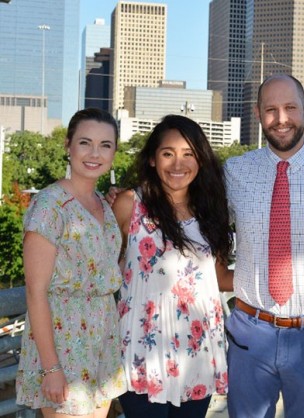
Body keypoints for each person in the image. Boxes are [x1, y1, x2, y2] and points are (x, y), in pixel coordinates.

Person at [223, 74, 304, 417]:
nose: (281, 119)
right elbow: (196, 222)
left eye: (290, 107)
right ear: (257, 113)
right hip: (249, 332)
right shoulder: (232, 172)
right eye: (271, 109)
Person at [111, 115, 232, 418]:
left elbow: (218, 278)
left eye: (189, 153)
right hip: (141, 349)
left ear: (201, 160)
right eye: (168, 153)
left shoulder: (211, 211)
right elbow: (106, 272)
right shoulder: (129, 204)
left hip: (196, 350)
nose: (178, 164)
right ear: (152, 159)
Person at [16, 108, 126, 417]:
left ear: (114, 152)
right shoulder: (49, 206)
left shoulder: (103, 203)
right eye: (85, 143)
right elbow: (35, 293)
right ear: (68, 146)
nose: (95, 153)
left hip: (102, 338)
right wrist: (51, 367)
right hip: (63, 343)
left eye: (105, 145)